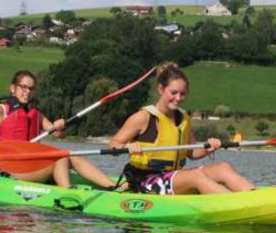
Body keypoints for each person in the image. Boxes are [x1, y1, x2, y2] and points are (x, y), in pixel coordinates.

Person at [109, 62, 255, 195]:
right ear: (161, 89)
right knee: (196, 176)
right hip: (145, 181)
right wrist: (129, 146)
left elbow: (191, 152)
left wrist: (208, 147)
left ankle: (254, 197)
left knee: (223, 167)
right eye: (173, 93)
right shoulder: (143, 117)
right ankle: (235, 204)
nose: (178, 98)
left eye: (183, 94)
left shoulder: (183, 118)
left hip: (174, 177)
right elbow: (113, 144)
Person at [0, 70, 116, 189]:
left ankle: (114, 187)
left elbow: (59, 135)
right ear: (13, 88)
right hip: (8, 169)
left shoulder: (36, 115)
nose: (27, 92)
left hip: (31, 166)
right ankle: (67, 193)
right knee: (61, 157)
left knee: (72, 155)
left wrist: (59, 126)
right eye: (23, 87)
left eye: (31, 88)